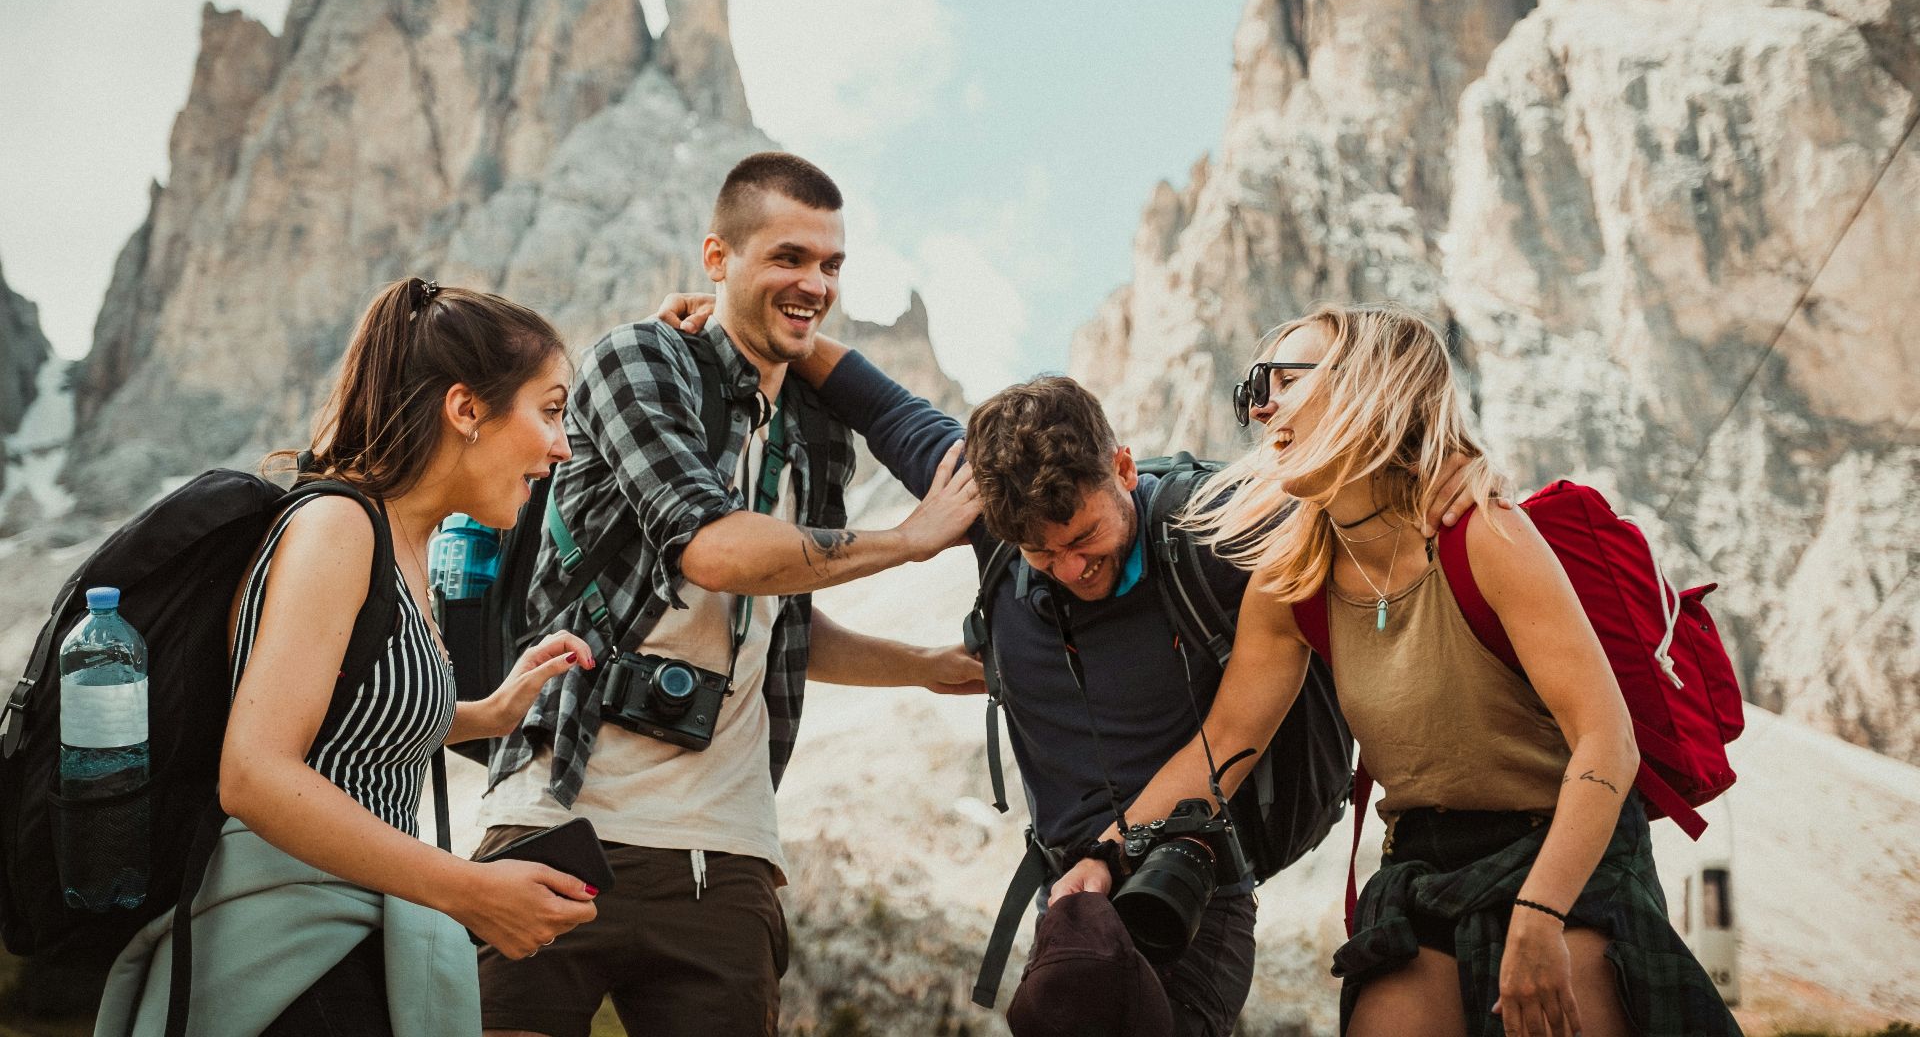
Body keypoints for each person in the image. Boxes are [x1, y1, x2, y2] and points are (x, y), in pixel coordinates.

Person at [653, 296, 1488, 1037]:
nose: (1070, 569)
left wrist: (1456, 467)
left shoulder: (1215, 531)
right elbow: (882, 405)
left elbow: (1358, 484)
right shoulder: (995, 516)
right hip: (1071, 905)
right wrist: (756, 320)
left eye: (1085, 539)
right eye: (1039, 555)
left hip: (1191, 894)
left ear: (1123, 467)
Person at [1061, 303, 1741, 1037]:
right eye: (1255, 388)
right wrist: (1104, 852)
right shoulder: (1292, 579)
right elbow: (1223, 742)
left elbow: (1608, 742)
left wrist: (1541, 912)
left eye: (1284, 380)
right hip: (1421, 866)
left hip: (1565, 849)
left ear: (1369, 384)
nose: (1260, 408)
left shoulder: (1486, 536)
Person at [474, 152, 984, 1037]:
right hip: (558, 820)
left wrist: (923, 666)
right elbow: (713, 551)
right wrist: (909, 542)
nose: (814, 283)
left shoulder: (819, 433)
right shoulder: (638, 362)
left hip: (728, 854)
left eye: (831, 265)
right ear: (718, 257)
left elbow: (781, 602)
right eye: (788, 257)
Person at [96, 278, 602, 1036]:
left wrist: (483, 714)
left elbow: (345, 725)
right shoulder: (340, 525)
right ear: (466, 410)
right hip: (283, 957)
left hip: (350, 938)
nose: (563, 446)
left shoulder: (404, 545)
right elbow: (256, 773)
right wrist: (470, 890)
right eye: (551, 410)